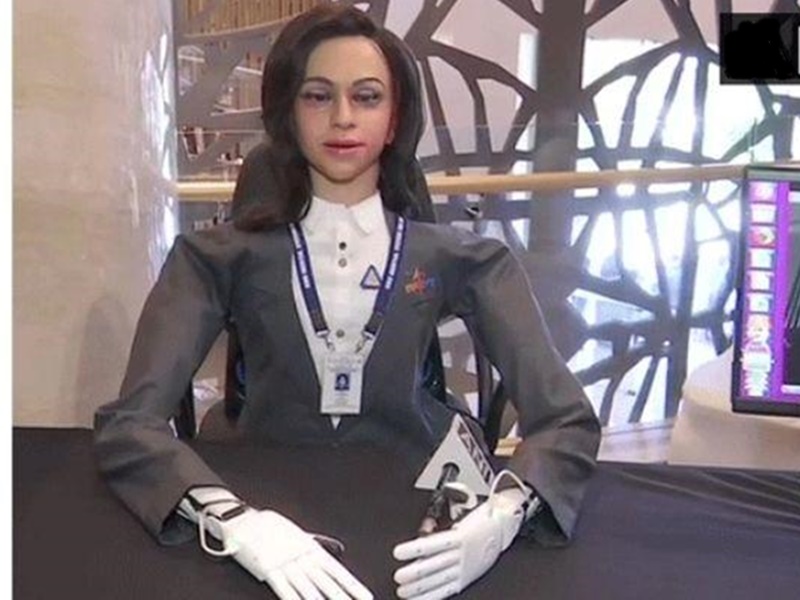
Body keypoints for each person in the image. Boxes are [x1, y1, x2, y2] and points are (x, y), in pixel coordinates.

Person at [94, 5, 600, 600]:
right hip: (262, 503)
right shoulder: (211, 258)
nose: (342, 117)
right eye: (317, 96)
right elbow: (130, 424)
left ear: (394, 118)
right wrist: (232, 522)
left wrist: (500, 516)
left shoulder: (468, 259)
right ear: (288, 112)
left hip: (419, 519)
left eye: (366, 97)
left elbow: (566, 419)